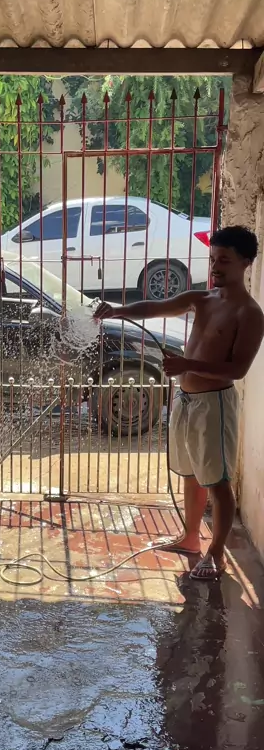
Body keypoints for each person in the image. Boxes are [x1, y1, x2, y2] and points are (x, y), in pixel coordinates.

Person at [94, 225, 264, 580]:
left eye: (224, 260)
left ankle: (215, 554)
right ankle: (190, 538)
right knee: (192, 474)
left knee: (218, 481)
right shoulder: (203, 299)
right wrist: (117, 311)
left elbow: (238, 369)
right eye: (212, 259)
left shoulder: (249, 313)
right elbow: (156, 307)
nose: (215, 267)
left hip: (214, 406)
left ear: (246, 263)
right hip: (186, 401)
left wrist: (187, 365)